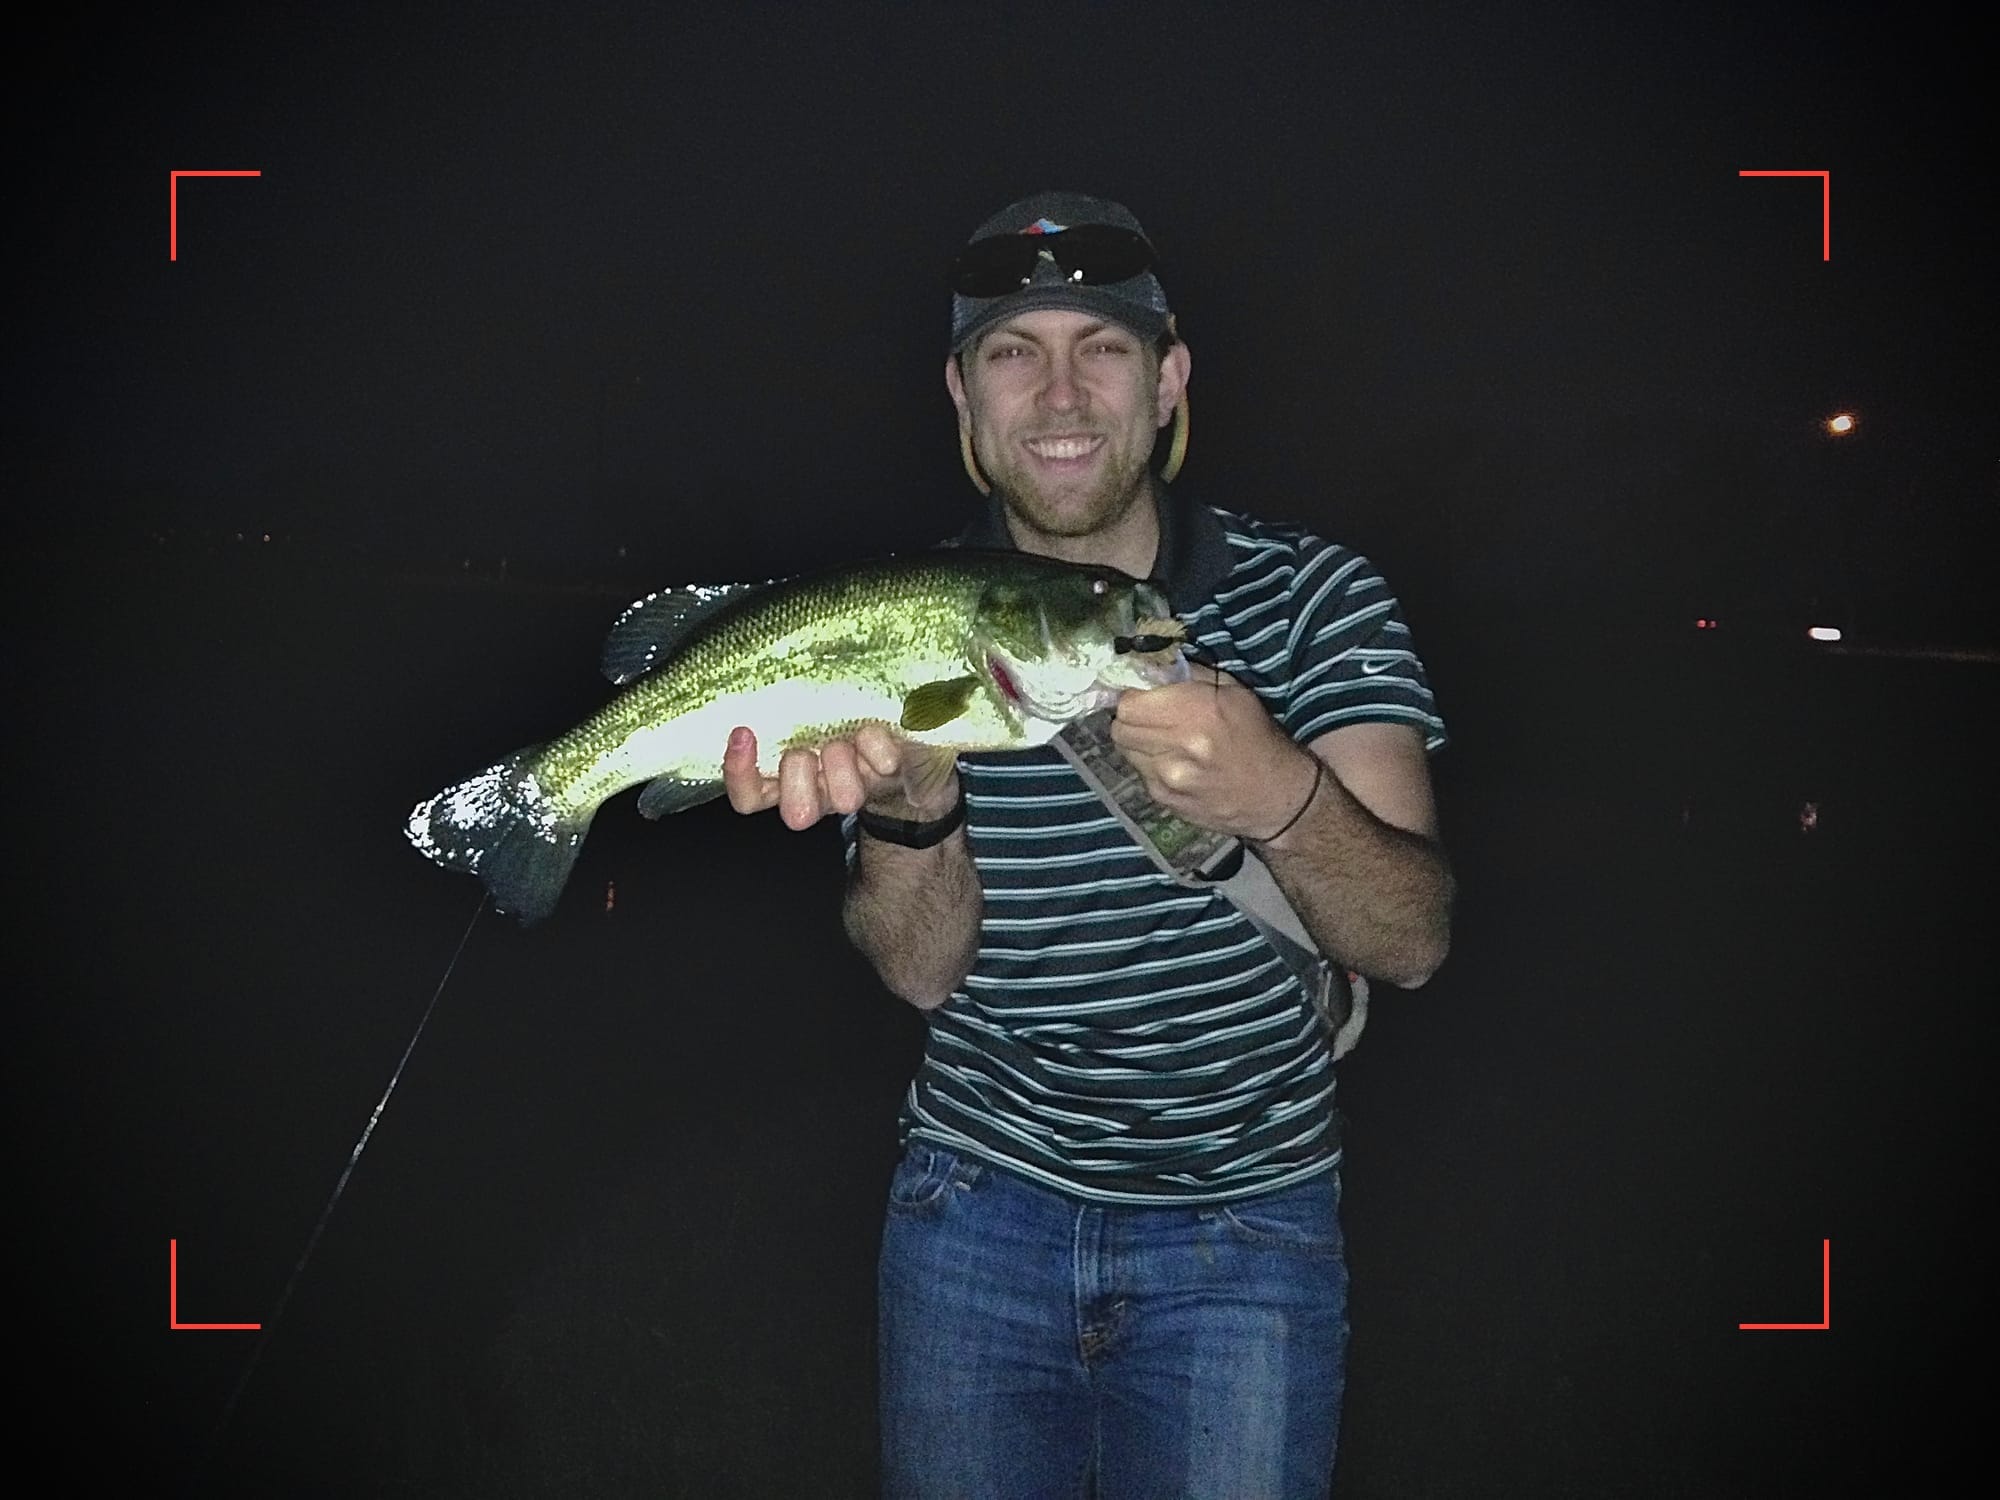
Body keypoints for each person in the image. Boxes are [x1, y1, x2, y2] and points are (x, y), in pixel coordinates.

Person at [720, 191, 1453, 1500]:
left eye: (1101, 348)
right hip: (971, 1214)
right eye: (1012, 352)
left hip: (1248, 1229)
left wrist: (1278, 793)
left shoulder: (1318, 597)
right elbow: (918, 975)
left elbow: (1409, 942)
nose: (1059, 395)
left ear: (1167, 379)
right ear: (961, 396)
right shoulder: (899, 623)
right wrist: (911, 796)